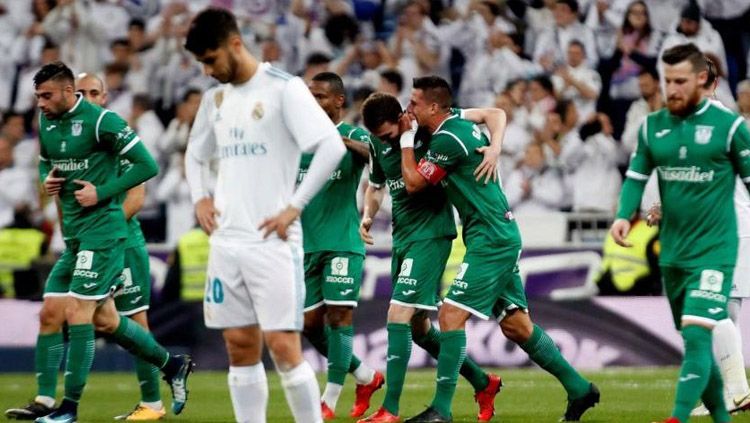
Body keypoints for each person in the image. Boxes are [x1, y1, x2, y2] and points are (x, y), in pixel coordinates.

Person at [398, 76, 598, 423]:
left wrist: (404, 138)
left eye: (415, 102)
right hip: (493, 232)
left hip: (491, 237)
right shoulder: (457, 119)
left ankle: (441, 411)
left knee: (449, 316)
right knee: (517, 327)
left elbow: (414, 183)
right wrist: (495, 147)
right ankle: (580, 388)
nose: (409, 108)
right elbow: (495, 114)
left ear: (433, 106)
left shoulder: (448, 138)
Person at [4, 62, 193, 423]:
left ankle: (72, 409)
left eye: (46, 96)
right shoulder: (47, 121)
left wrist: (102, 193)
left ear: (67, 91)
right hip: (75, 237)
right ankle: (172, 365)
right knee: (69, 315)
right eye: (37, 97)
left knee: (87, 314)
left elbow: (146, 167)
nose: (39, 104)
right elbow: (47, 162)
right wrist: (50, 180)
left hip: (109, 235)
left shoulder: (106, 124)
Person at [183, 8, 347, 423]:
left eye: (210, 60)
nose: (207, 71)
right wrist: (200, 197)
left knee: (282, 346)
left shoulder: (284, 88)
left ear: (235, 44)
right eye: (201, 62)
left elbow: (332, 147)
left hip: (272, 244)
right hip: (226, 242)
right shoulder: (214, 99)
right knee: (239, 345)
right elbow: (194, 153)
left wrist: (295, 206)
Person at [610, 43, 750, 423]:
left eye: (682, 81)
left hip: (731, 231)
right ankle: (722, 396)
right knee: (714, 319)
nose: (673, 89)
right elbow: (684, 181)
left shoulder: (725, 123)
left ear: (709, 81)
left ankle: (733, 391)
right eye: (667, 80)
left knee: (712, 317)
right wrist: (647, 209)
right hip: (682, 243)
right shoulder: (661, 125)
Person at [358, 92, 515, 423]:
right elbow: (375, 186)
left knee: (397, 314)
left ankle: (390, 410)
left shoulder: (430, 130)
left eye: (388, 135)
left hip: (431, 234)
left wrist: (496, 147)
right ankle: (483, 382)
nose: (383, 141)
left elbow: (492, 113)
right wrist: (367, 216)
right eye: (378, 137)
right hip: (402, 236)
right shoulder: (376, 143)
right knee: (418, 328)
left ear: (402, 117)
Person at [76, 72, 166, 420]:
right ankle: (170, 372)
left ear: (105, 97)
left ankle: (152, 402)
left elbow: (137, 195)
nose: (86, 97)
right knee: (102, 320)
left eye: (93, 92)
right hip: (88, 244)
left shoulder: (116, 136)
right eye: (80, 92)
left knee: (134, 319)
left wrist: (104, 229)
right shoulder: (70, 143)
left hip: (122, 242)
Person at [300, 71, 384, 420]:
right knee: (308, 325)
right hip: (305, 244)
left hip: (342, 241)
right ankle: (365, 376)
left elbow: (377, 158)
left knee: (339, 315)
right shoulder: (297, 139)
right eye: (310, 96)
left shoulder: (350, 134)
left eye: (320, 96)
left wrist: (337, 140)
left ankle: (328, 401)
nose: (314, 103)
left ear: (338, 101)